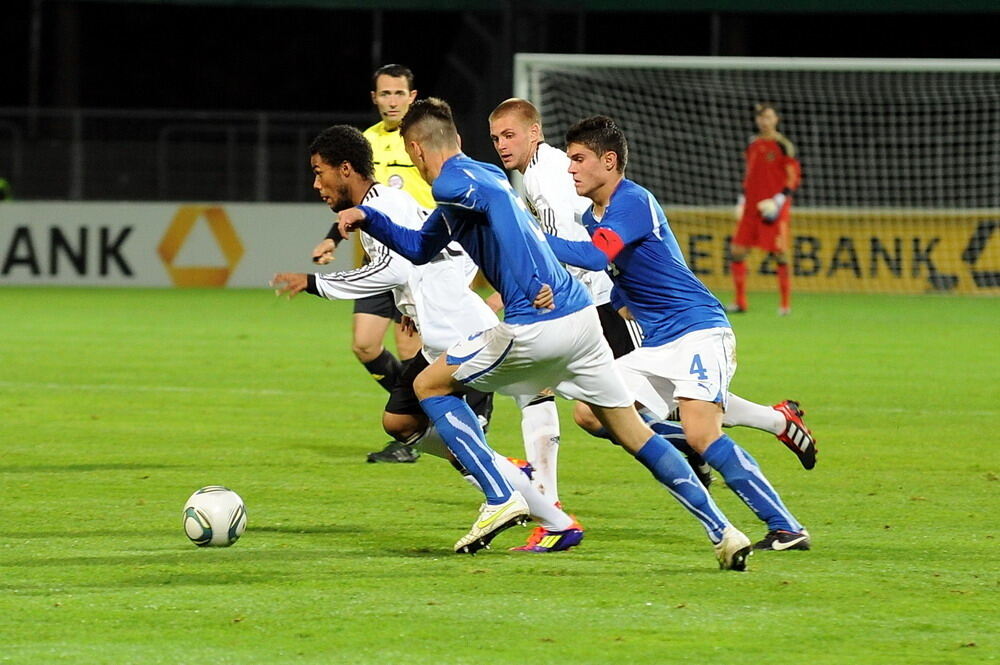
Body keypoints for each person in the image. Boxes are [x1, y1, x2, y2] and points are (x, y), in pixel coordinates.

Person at [337, 98, 754, 570]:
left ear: (415, 148)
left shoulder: (456, 180)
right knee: (633, 433)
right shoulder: (476, 180)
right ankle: (724, 531)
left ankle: (500, 495)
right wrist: (370, 219)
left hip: (537, 323)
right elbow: (420, 246)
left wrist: (533, 278)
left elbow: (507, 218)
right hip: (582, 324)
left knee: (427, 384)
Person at [271, 125, 582, 551]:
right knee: (400, 421)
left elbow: (396, 268)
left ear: (346, 170)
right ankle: (520, 489)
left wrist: (316, 284)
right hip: (446, 329)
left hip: (459, 334)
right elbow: (439, 256)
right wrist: (412, 306)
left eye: (319, 172)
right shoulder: (389, 204)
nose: (316, 183)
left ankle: (508, 492)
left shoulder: (383, 206)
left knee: (470, 413)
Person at [488, 98, 817, 475]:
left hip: (600, 304)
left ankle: (547, 500)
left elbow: (579, 245)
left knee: (613, 405)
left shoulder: (550, 176)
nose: (501, 144)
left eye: (509, 135)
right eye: (496, 137)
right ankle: (767, 424)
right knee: (612, 404)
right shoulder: (535, 175)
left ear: (534, 132)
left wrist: (534, 288)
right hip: (586, 305)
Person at [543, 115, 810, 552]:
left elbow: (596, 258)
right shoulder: (593, 215)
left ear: (608, 161)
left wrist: (532, 237)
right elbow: (621, 284)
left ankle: (786, 527)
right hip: (659, 342)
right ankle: (771, 422)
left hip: (699, 329)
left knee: (703, 433)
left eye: (578, 159)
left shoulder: (632, 200)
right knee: (592, 412)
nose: (570, 168)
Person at [312, 64, 433, 464]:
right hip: (377, 258)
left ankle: (412, 432)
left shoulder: (424, 139)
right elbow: (351, 198)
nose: (393, 101)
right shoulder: (364, 142)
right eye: (385, 94)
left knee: (412, 345)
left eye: (400, 93)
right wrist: (332, 240)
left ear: (412, 97)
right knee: (364, 344)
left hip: (417, 257)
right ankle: (415, 415)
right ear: (374, 98)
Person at [730, 102, 802, 316]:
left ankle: (785, 305)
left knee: (780, 254)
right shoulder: (752, 144)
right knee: (737, 251)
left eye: (769, 117)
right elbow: (749, 175)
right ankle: (740, 302)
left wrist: (779, 200)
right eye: (761, 118)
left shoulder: (783, 146)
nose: (764, 121)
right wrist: (742, 200)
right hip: (752, 207)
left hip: (773, 207)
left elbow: (793, 177)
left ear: (776, 119)